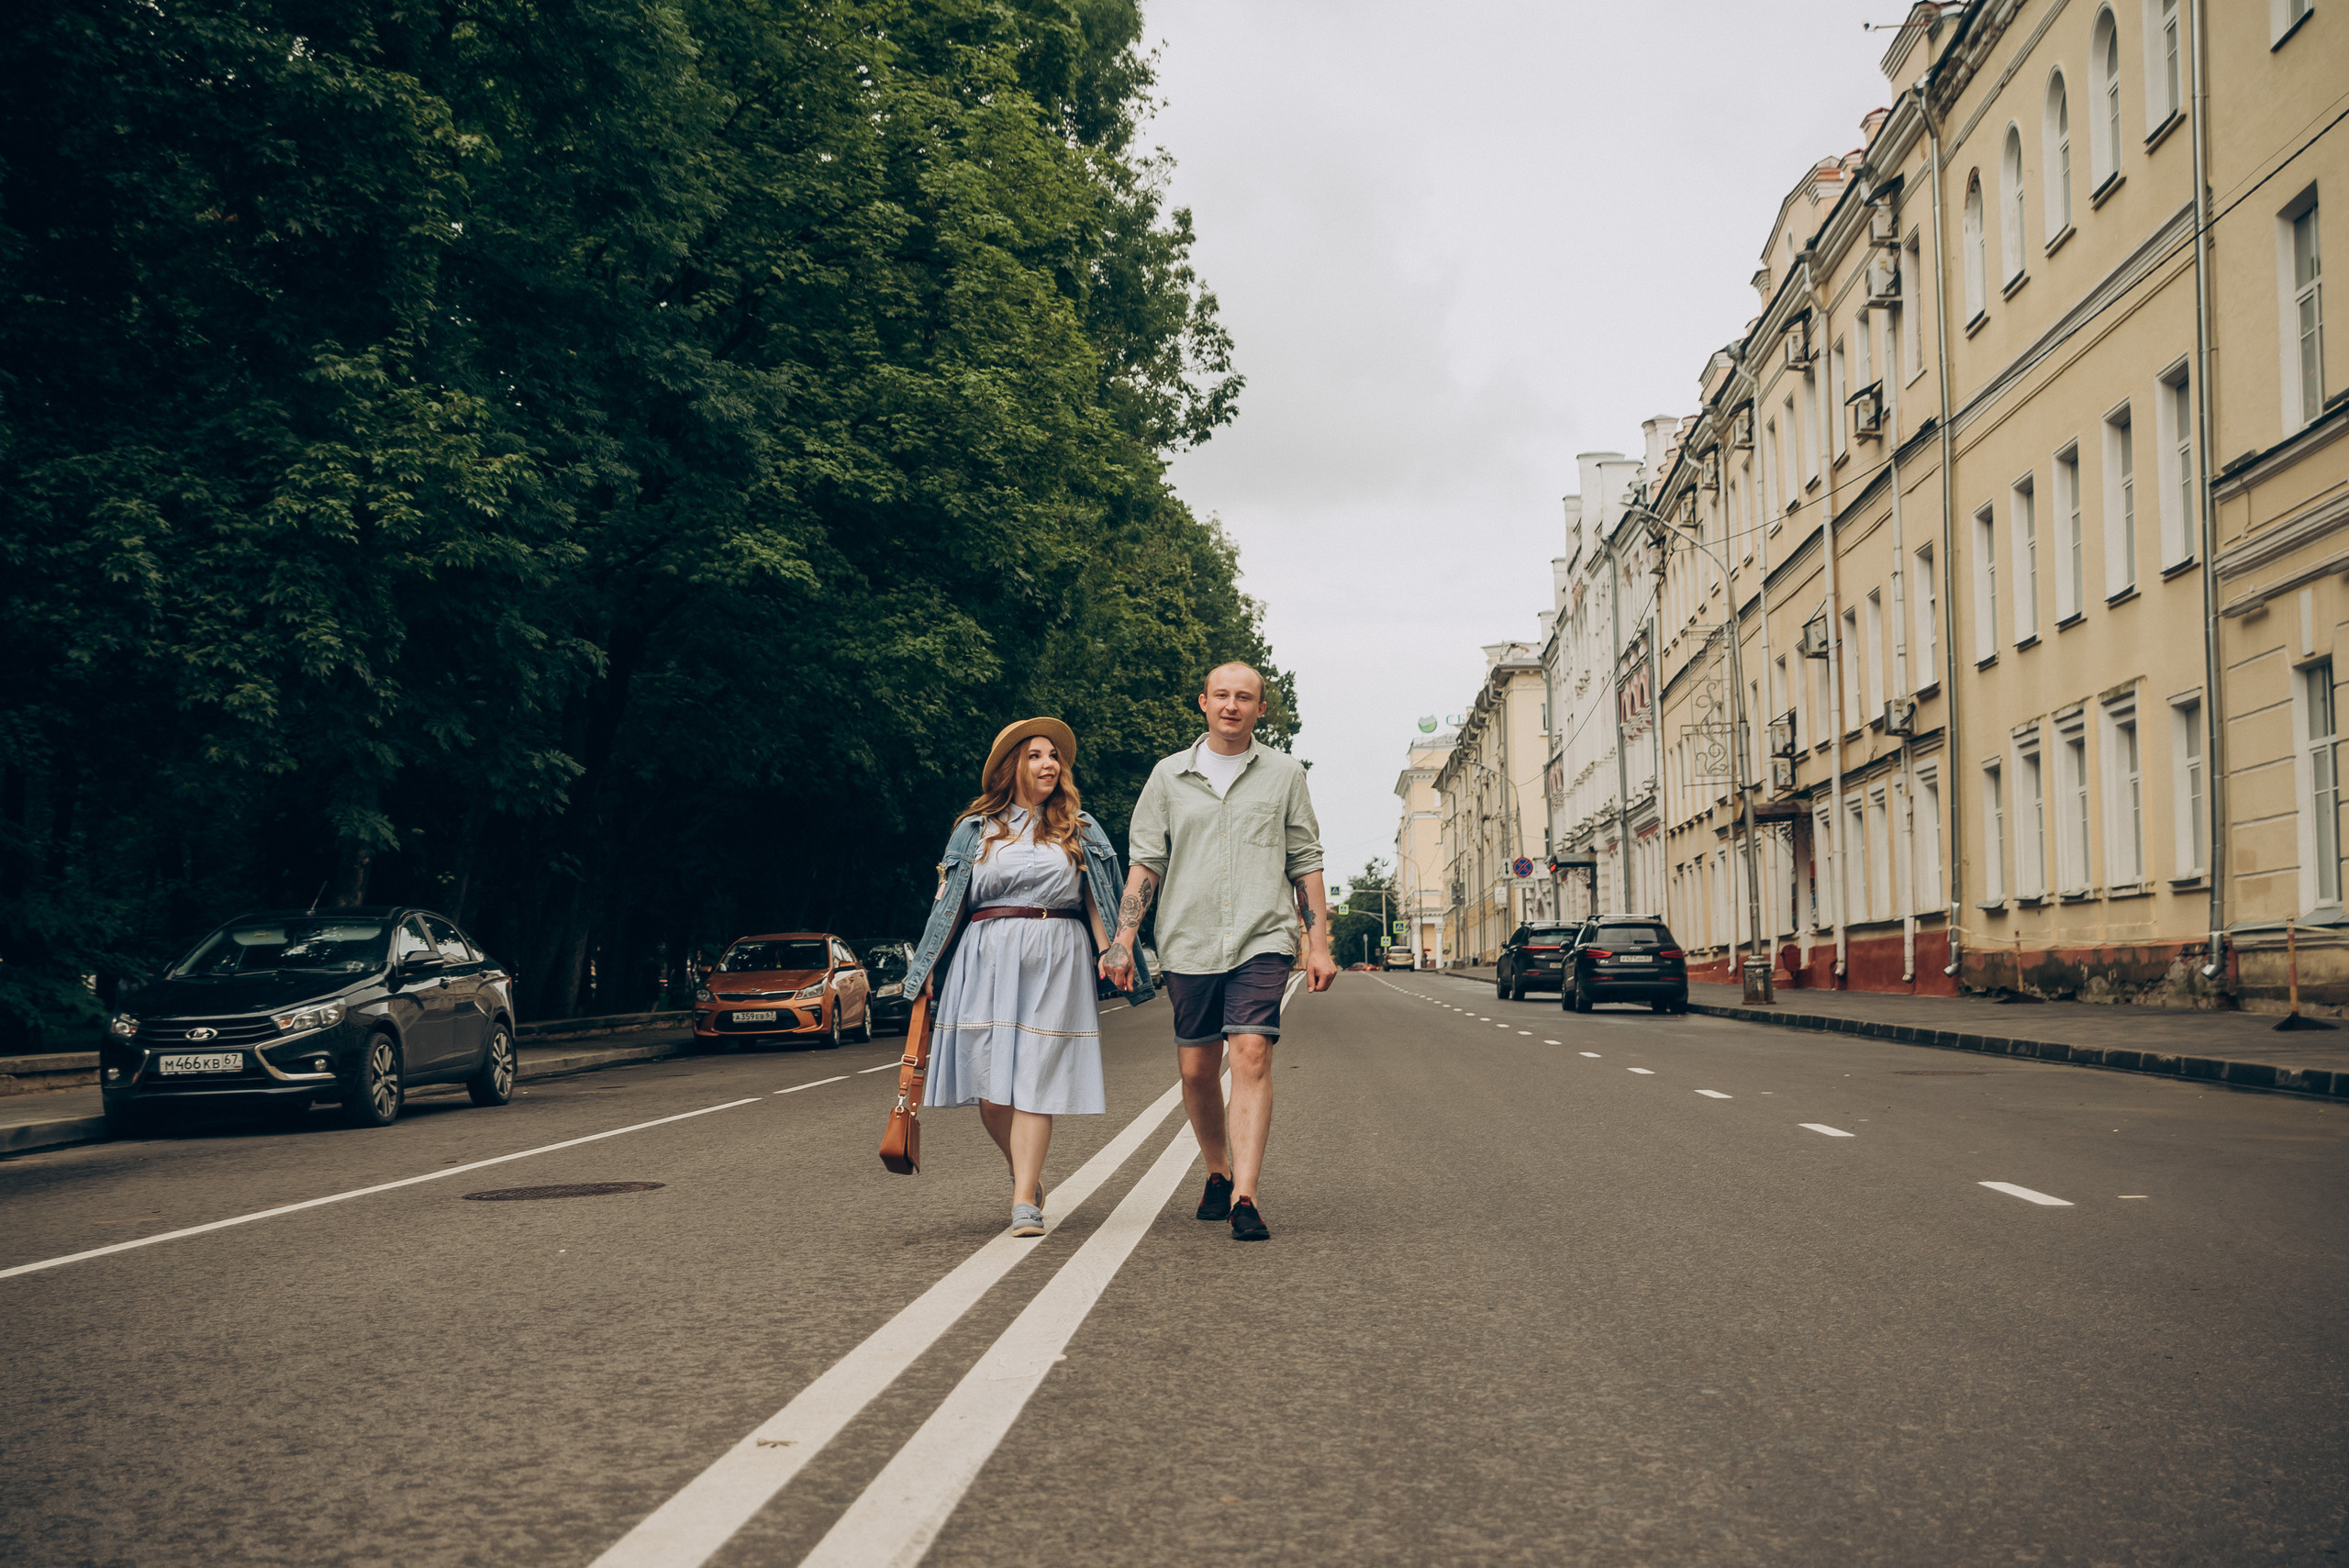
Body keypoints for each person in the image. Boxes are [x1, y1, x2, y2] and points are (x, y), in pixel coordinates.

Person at [1099, 663, 1338, 1240]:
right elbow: (1145, 865)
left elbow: (1304, 860)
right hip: (1189, 940)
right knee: (1197, 1068)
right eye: (1223, 696)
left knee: (1252, 1053)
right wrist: (1122, 942)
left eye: (1245, 698)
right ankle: (1215, 1168)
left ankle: (1246, 1196)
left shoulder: (1284, 774)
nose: (1232, 705)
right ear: (1203, 703)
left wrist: (1318, 944)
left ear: (1261, 710)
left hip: (1262, 937)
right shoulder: (1167, 777)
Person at [900, 718, 1154, 1236]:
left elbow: (1097, 899)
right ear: (1014, 764)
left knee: (1037, 1080)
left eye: (1055, 757)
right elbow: (947, 908)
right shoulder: (974, 830)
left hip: (1057, 956)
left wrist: (1113, 952)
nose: (1049, 764)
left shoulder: (1079, 828)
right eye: (1037, 755)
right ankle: (1024, 1170)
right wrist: (925, 969)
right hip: (985, 955)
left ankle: (1023, 1203)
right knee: (993, 1090)